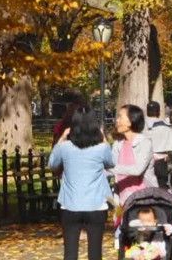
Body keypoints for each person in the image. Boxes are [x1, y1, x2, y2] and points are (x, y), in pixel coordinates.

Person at [48, 109, 114, 260]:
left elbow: (52, 164)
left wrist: (62, 138)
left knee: (70, 252)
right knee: (95, 252)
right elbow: (111, 162)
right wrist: (103, 138)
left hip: (70, 204)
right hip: (96, 205)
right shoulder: (101, 148)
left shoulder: (65, 148)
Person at [112, 104, 156, 203]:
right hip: (122, 199)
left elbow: (137, 170)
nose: (117, 120)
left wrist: (110, 167)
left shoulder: (144, 143)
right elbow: (111, 169)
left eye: (120, 117)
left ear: (131, 120)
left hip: (143, 199)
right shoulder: (117, 144)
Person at [145, 102, 172, 190]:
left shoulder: (141, 125)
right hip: (161, 159)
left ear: (147, 111)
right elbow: (170, 146)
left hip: (145, 159)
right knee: (162, 185)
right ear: (158, 112)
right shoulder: (167, 126)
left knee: (146, 186)